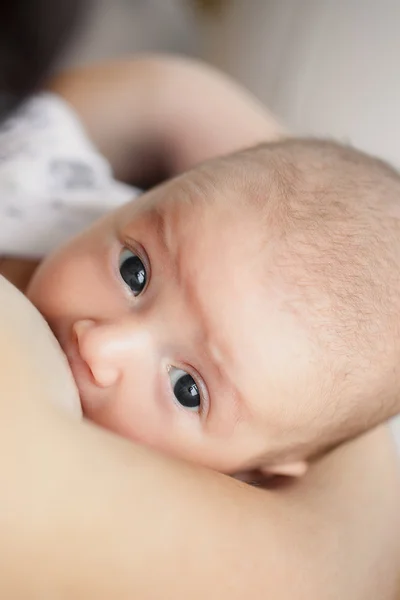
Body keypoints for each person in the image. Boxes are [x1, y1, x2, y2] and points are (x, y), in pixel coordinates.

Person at [1, 56, 400, 598]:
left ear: (259, 471)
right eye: (132, 271)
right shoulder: (38, 180)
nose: (101, 346)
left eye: (187, 389)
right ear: (143, 196)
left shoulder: (198, 517)